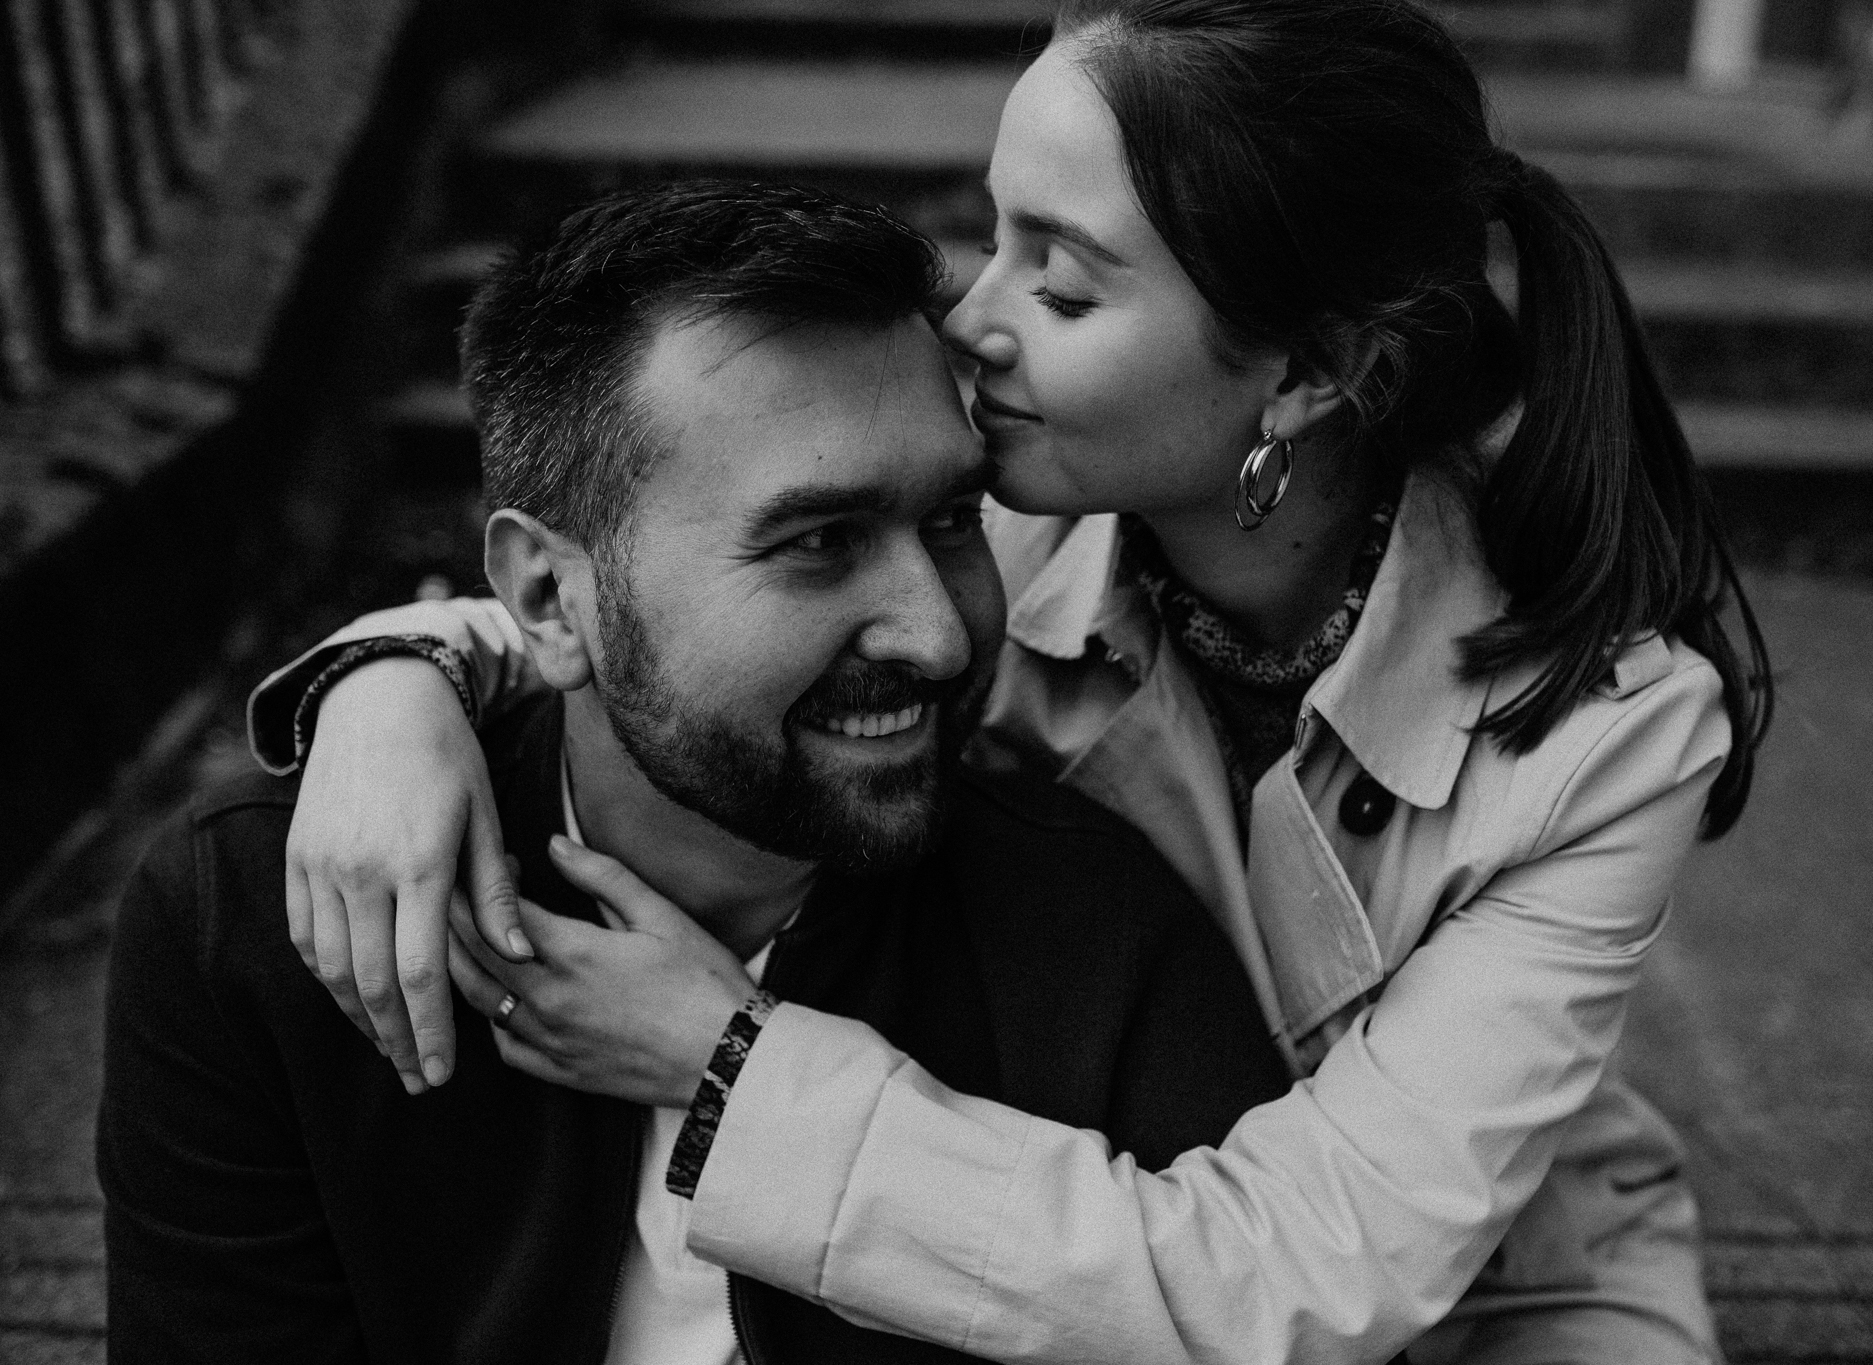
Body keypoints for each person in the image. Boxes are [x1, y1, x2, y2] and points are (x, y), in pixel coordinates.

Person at [248, 1, 1775, 1362]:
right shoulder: (1001, 529)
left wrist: (728, 1070)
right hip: (1041, 1188)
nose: (970, 326)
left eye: (1064, 286)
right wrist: (395, 683)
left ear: (1305, 374)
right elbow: (667, 620)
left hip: (1467, 1280)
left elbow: (1305, 1283)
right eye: (999, 235)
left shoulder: (1612, 736)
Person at [96, 181, 1294, 1365]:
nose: (934, 637)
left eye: (948, 520)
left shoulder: (1091, 936)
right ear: (545, 597)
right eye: (816, 543)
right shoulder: (262, 922)